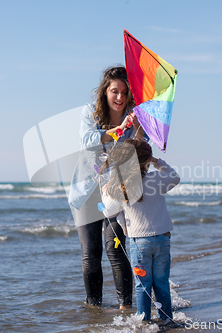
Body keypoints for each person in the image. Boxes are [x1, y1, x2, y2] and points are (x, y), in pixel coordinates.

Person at [68, 66, 146, 308]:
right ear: (105, 91)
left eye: (125, 92)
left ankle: (125, 309)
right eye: (115, 91)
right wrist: (118, 130)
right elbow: (88, 140)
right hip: (87, 194)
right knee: (90, 256)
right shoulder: (89, 113)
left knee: (116, 251)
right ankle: (95, 311)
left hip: (116, 194)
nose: (120, 97)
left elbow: (143, 151)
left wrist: (138, 129)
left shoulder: (136, 117)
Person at [100, 139, 180, 323]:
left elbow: (108, 211)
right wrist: (155, 161)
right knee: (161, 283)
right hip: (163, 239)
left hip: (140, 242)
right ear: (146, 160)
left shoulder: (122, 186)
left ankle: (143, 321)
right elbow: (174, 177)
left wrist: (106, 191)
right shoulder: (157, 179)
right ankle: (167, 318)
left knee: (143, 285)